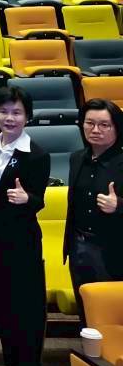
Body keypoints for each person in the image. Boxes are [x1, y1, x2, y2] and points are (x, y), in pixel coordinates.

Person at [0, 86, 49, 366]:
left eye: (16, 112)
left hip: (21, 242)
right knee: (2, 304)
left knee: (27, 308)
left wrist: (28, 199)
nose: (9, 118)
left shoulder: (36, 154)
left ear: (27, 116)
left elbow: (40, 200)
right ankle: (10, 361)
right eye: (4, 111)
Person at [64, 98, 123, 323]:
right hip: (79, 246)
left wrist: (118, 206)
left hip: (113, 249)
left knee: (112, 316)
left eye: (104, 125)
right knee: (86, 312)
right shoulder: (77, 158)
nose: (95, 130)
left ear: (117, 127)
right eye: (89, 123)